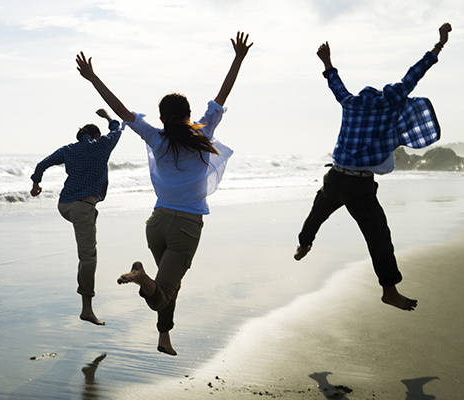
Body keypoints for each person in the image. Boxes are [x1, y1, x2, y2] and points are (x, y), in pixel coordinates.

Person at [76, 31, 252, 355]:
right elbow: (221, 97)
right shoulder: (203, 132)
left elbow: (122, 109)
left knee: (169, 284)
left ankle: (164, 337)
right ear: (189, 114)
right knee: (159, 294)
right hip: (186, 227)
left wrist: (93, 78)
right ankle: (141, 278)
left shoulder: (156, 138)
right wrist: (238, 58)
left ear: (161, 118)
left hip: (156, 224)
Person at [294, 23, 452, 311]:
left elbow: (335, 83)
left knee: (318, 210)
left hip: (334, 178)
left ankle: (303, 244)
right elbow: (414, 73)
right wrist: (438, 45)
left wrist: (327, 61)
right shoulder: (388, 101)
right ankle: (389, 290)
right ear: (379, 95)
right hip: (358, 186)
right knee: (378, 235)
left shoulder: (351, 103)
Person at [30, 109, 123, 326]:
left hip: (64, 205)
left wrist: (36, 183)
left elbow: (42, 164)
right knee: (88, 257)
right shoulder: (102, 145)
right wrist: (108, 117)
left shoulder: (68, 149)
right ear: (96, 136)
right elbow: (117, 130)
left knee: (86, 242)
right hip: (82, 207)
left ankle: (87, 307)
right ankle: (87, 310)